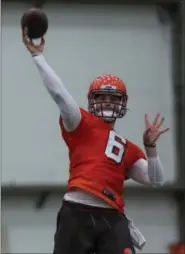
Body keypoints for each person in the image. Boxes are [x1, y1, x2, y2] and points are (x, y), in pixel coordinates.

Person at [22, 29, 169, 254]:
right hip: (76, 211)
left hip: (112, 217)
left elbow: (156, 180)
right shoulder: (80, 122)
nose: (108, 102)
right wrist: (38, 57)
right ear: (92, 100)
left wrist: (151, 148)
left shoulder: (127, 147)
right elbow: (60, 94)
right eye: (102, 97)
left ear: (122, 103)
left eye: (114, 98)